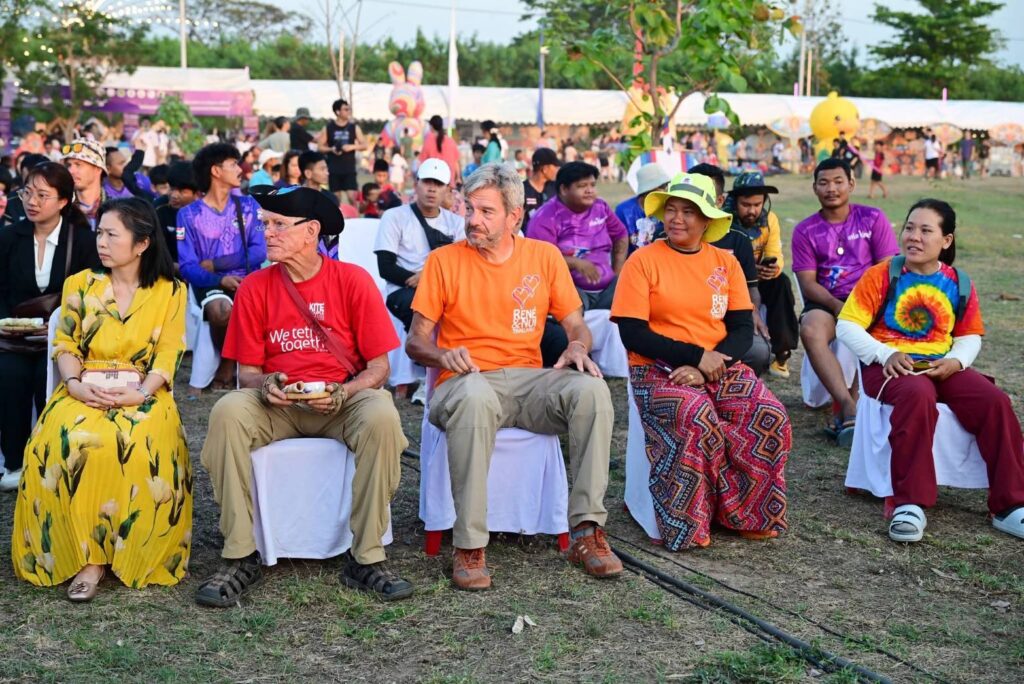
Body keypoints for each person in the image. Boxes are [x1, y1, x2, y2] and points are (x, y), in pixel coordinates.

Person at [406, 162, 623, 590]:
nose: (473, 220)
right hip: (464, 382)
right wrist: (444, 355)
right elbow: (415, 342)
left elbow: (576, 325)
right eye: (469, 209)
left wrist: (578, 347)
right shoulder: (444, 261)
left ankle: (587, 530)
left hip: (527, 381)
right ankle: (469, 545)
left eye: (486, 212)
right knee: (475, 398)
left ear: (514, 216)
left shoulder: (542, 257)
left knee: (592, 392)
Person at [196, 186, 413, 605]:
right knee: (227, 411)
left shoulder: (352, 280)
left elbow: (379, 369)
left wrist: (345, 390)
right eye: (265, 224)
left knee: (382, 416)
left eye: (278, 224)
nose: (267, 233)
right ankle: (240, 553)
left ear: (311, 231)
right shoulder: (255, 287)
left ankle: (367, 556)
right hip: (279, 405)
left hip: (341, 400)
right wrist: (268, 386)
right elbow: (248, 375)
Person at [12, 197, 189, 599]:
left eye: (112, 235)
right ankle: (86, 556)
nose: (102, 242)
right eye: (100, 233)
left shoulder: (171, 291)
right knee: (65, 441)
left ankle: (131, 549)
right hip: (84, 386)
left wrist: (140, 393)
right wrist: (74, 385)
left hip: (143, 391)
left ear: (142, 243)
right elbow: (65, 344)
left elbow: (169, 353)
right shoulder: (81, 283)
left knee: (138, 441)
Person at [610, 172, 791, 550]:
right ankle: (688, 523)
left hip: (717, 364)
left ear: (708, 219)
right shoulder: (642, 261)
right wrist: (695, 357)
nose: (676, 219)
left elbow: (742, 327)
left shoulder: (724, 263)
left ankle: (746, 513)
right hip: (655, 366)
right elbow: (633, 333)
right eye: (671, 210)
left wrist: (708, 364)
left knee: (768, 414)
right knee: (694, 415)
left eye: (688, 212)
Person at [836, 199, 1024, 543]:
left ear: (946, 240)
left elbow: (969, 336)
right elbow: (846, 326)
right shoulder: (881, 275)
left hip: (942, 363)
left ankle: (1010, 504)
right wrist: (884, 353)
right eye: (910, 228)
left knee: (994, 402)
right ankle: (909, 503)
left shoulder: (959, 282)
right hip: (889, 364)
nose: (914, 237)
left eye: (926, 230)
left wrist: (957, 362)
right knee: (916, 394)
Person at [0, 163, 101, 491]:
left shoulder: (82, 240)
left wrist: (61, 325)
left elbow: (91, 294)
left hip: (61, 338)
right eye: (27, 192)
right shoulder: (9, 237)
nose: (32, 201)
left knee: (49, 380)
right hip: (13, 337)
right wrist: (5, 322)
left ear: (63, 201)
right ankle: (14, 461)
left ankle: (52, 457)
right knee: (10, 376)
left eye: (42, 195)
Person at [792, 158, 898, 445]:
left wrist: (861, 306)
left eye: (838, 181)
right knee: (811, 329)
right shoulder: (805, 230)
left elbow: (887, 269)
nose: (831, 188)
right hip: (828, 302)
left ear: (851, 184)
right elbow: (808, 283)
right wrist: (837, 306)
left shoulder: (872, 218)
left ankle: (856, 403)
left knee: (873, 329)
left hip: (869, 299)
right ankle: (847, 404)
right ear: (814, 188)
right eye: (824, 183)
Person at [177, 143, 267, 391]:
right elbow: (187, 266)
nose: (240, 169)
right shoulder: (188, 214)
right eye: (233, 164)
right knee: (220, 310)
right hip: (209, 284)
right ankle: (227, 364)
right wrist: (219, 279)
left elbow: (260, 252)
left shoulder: (250, 206)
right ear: (216, 171)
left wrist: (217, 263)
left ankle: (231, 364)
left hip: (248, 280)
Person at [686, 164, 770, 377]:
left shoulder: (738, 237)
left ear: (720, 200)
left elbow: (751, 288)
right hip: (681, 325)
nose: (697, 203)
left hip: (727, 322)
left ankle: (729, 382)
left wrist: (753, 312)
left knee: (759, 352)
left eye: (705, 196)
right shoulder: (666, 236)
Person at [374, 158, 465, 334]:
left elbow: (462, 266)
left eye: (438, 184)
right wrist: (422, 282)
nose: (432, 189)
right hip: (404, 289)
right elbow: (385, 268)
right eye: (427, 182)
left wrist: (427, 278)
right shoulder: (394, 216)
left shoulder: (457, 223)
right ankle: (421, 350)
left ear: (448, 190)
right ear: (416, 184)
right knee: (423, 308)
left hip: (444, 288)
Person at [724, 171, 799, 378]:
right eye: (746, 204)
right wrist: (747, 269)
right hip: (731, 281)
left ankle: (782, 352)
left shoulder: (770, 220)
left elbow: (775, 252)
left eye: (757, 204)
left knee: (781, 283)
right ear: (734, 201)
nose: (752, 210)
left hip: (759, 278)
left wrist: (773, 268)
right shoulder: (723, 220)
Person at [528, 161, 628, 311]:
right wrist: (575, 263)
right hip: (571, 291)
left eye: (592, 185)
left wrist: (617, 273)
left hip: (608, 289)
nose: (589, 191)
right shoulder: (545, 217)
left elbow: (620, 235)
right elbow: (540, 259)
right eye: (582, 186)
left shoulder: (600, 207)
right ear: (563, 189)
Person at [318, 99, 366, 205]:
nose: (349, 111)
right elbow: (320, 147)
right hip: (333, 169)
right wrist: (331, 149)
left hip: (349, 168)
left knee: (352, 197)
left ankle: (355, 215)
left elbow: (364, 145)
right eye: (346, 109)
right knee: (335, 200)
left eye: (349, 109)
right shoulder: (328, 127)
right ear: (337, 112)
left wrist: (352, 147)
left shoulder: (354, 127)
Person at [614, 162, 669, 253]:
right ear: (648, 189)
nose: (666, 190)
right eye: (662, 186)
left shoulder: (669, 207)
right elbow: (619, 246)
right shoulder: (624, 211)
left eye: (667, 185)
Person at [155, 161, 199, 266]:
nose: (174, 195)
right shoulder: (160, 210)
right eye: (172, 189)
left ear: (196, 194)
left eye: (182, 191)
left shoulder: (204, 215)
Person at [61, 139, 107, 229]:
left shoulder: (116, 207)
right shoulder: (62, 208)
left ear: (98, 169)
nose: (71, 171)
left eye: (78, 165)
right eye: (68, 165)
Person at [522, 147, 559, 235]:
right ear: (545, 169)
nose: (557, 169)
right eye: (555, 166)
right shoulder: (521, 190)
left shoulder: (556, 188)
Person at [418, 115, 461, 187]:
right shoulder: (451, 141)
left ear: (431, 126)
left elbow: (422, 163)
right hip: (449, 182)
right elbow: (456, 162)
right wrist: (458, 177)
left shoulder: (428, 141)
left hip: (433, 182)